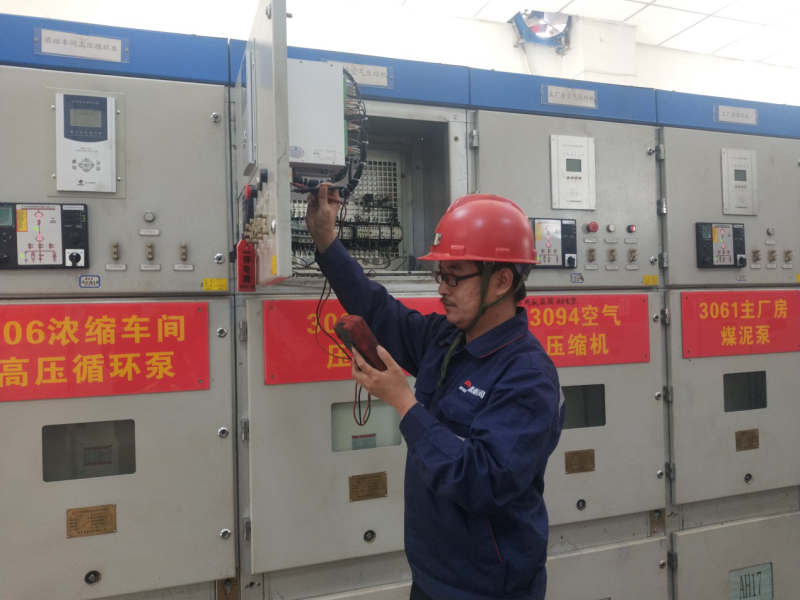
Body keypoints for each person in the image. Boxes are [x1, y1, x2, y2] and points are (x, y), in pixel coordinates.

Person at [307, 185, 564, 600]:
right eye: (440, 275)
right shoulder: (447, 338)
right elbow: (379, 310)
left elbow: (479, 481)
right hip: (432, 574)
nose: (442, 289)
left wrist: (404, 403)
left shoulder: (528, 376)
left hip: (486, 587)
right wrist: (326, 240)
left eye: (454, 277)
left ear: (501, 281)